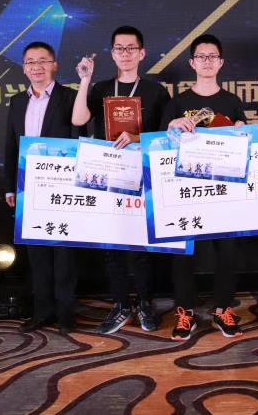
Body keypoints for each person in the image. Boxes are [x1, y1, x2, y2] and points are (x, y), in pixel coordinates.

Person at [72, 26, 171, 334]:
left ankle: (144, 303)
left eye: (131, 48)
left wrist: (137, 137)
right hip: (105, 174)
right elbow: (78, 119)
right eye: (119, 48)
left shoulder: (156, 91)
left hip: (141, 175)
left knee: (141, 247)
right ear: (112, 53)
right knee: (111, 246)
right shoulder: (101, 88)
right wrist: (85, 80)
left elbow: (167, 136)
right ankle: (120, 304)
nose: (125, 53)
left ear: (142, 53)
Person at [159, 34, 247, 341]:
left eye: (213, 56)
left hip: (223, 190)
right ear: (192, 63)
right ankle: (185, 312)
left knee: (227, 251)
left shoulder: (232, 102)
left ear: (221, 63)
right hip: (186, 190)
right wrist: (171, 127)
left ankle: (223, 308)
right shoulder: (177, 103)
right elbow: (160, 147)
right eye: (201, 56)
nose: (207, 61)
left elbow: (244, 146)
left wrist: (242, 130)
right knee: (183, 253)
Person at [4, 41, 82, 335]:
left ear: (54, 65)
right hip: (28, 187)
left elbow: (80, 138)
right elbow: (11, 145)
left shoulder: (70, 97)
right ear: (24, 68)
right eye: (30, 62)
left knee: (64, 254)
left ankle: (65, 313)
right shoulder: (17, 102)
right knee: (37, 254)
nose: (36, 67)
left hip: (63, 185)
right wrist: (10, 187)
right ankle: (43, 312)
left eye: (42, 61)